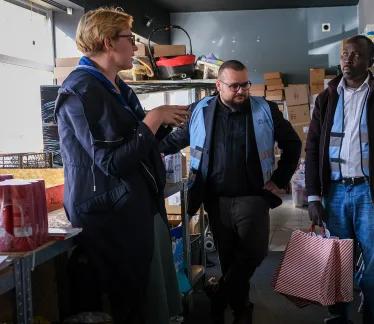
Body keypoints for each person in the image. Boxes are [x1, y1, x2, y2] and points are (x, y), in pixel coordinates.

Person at [55, 7, 190, 324]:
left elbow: (137, 144)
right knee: (132, 302)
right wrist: (154, 119)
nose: (136, 47)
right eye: (130, 39)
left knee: (148, 295)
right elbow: (111, 162)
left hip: (134, 205)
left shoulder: (117, 87)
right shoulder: (82, 90)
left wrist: (174, 124)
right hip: (109, 213)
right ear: (108, 42)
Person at [159, 60, 302, 324]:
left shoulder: (265, 109)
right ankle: (241, 308)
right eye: (234, 85)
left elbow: (293, 144)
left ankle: (220, 293)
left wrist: (281, 178)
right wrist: (147, 147)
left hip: (253, 196)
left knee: (254, 253)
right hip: (215, 198)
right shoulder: (199, 110)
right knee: (229, 257)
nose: (241, 90)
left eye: (245, 84)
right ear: (219, 85)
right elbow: (173, 141)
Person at [305, 35, 374, 324]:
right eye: (344, 54)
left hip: (373, 195)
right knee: (338, 264)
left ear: (369, 61)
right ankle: (338, 316)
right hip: (336, 192)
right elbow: (313, 146)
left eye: (355, 55)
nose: (347, 60)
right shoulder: (327, 97)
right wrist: (313, 195)